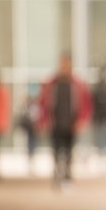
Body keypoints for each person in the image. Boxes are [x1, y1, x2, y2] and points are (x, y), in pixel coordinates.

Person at [37, 53, 92, 187]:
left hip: (71, 124)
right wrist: (43, 120)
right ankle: (57, 174)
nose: (64, 67)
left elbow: (85, 104)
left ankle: (67, 175)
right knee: (56, 151)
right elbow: (43, 103)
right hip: (55, 124)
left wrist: (81, 120)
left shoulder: (77, 84)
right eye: (62, 64)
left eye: (66, 64)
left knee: (68, 151)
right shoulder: (51, 84)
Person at [17, 94, 39, 175]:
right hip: (30, 129)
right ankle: (30, 158)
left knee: (32, 144)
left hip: (34, 130)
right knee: (30, 144)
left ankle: (31, 157)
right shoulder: (27, 108)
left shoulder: (34, 108)